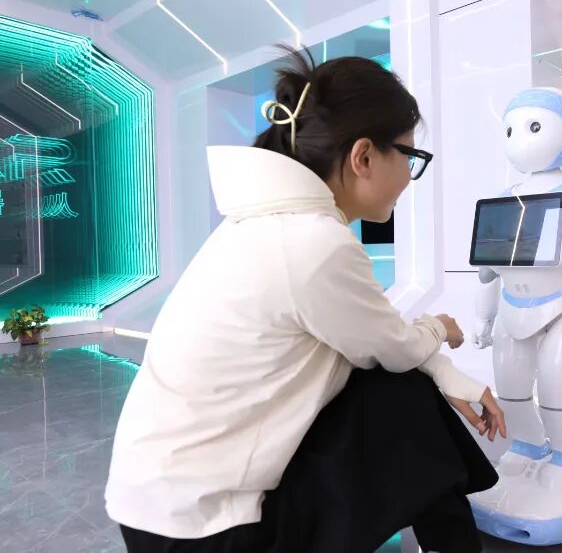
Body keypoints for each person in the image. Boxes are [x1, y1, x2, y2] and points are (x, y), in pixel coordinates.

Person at [105, 46, 506, 553]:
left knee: (392, 387)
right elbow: (396, 350)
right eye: (409, 156)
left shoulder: (259, 225)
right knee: (402, 396)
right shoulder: (315, 243)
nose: (409, 175)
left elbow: (375, 341)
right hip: (208, 534)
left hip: (161, 516)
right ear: (363, 156)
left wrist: (441, 367)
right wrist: (441, 330)